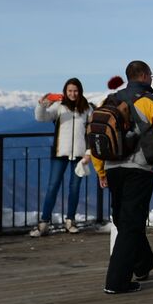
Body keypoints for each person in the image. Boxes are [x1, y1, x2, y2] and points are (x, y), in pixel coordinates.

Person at [92, 61, 153, 294]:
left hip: (113, 168)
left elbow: (97, 136)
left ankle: (143, 265)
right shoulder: (151, 103)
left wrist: (101, 170)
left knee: (124, 219)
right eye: (151, 75)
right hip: (139, 169)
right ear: (144, 76)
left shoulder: (110, 101)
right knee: (131, 223)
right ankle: (116, 282)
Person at [34, 78, 92, 236]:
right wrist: (41, 105)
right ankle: (44, 223)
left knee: (75, 189)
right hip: (60, 153)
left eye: (75, 91)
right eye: (70, 91)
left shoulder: (87, 109)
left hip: (80, 155)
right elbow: (41, 117)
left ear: (80, 91)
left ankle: (70, 221)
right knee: (52, 187)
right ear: (65, 92)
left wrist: (89, 153)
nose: (73, 94)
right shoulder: (58, 107)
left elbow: (91, 133)